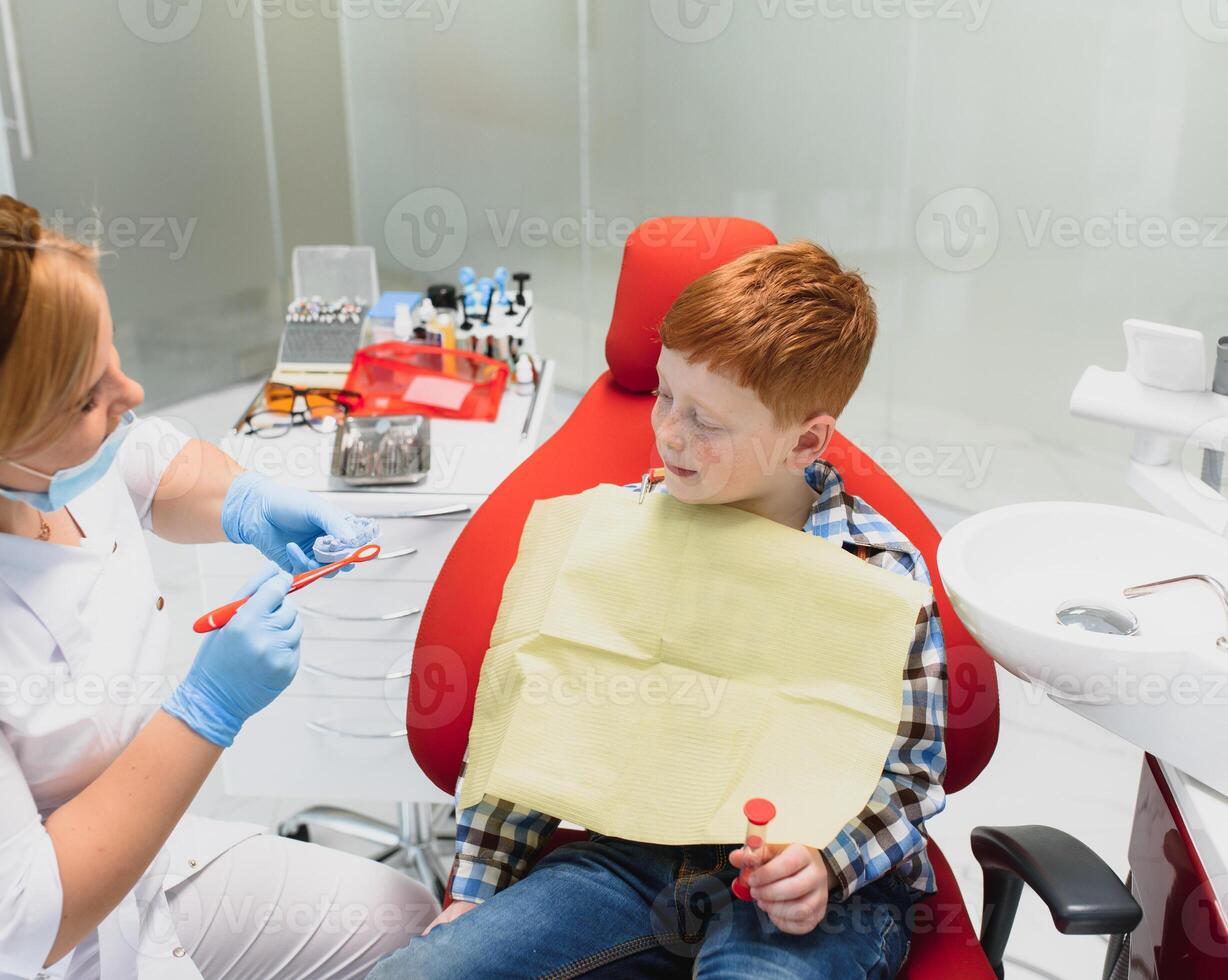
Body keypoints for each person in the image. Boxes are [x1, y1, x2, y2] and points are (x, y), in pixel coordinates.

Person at [0, 194, 437, 979]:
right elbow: (27, 919)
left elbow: (148, 462)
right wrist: (208, 710)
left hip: (127, 868)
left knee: (406, 923)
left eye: (110, 359)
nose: (130, 395)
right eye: (89, 397)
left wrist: (245, 501)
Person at [371, 241, 945, 978]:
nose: (669, 430)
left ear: (805, 440)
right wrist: (477, 896)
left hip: (810, 885)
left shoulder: (877, 573)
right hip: (637, 850)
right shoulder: (620, 533)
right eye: (665, 396)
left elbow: (911, 772)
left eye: (706, 420)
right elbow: (532, 724)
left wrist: (826, 865)